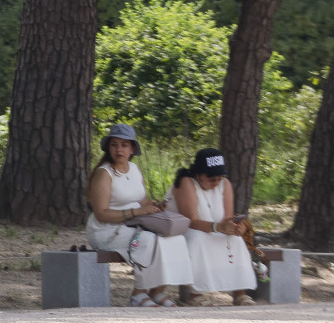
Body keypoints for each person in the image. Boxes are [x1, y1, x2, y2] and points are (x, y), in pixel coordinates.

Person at [87, 123, 193, 307]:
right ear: (108, 147)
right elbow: (101, 214)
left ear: (133, 149)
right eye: (114, 144)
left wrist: (154, 206)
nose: (119, 149)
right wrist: (136, 211)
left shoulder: (135, 170)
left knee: (174, 239)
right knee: (147, 240)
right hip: (108, 231)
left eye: (124, 145)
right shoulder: (104, 174)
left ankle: (157, 291)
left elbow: (142, 202)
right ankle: (138, 294)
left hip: (134, 225)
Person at [165, 148, 257, 306]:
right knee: (198, 238)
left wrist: (235, 227)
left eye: (220, 177)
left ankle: (240, 294)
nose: (217, 182)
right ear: (198, 174)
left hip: (214, 229)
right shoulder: (186, 182)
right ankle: (197, 294)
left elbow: (227, 217)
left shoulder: (224, 184)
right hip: (184, 231)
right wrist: (219, 227)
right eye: (212, 178)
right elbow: (191, 221)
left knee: (235, 240)